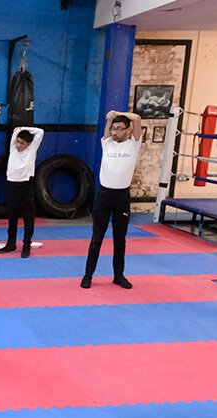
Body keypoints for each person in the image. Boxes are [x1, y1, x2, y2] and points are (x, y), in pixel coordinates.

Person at [82, 110, 143, 290]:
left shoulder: (133, 145)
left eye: (119, 129)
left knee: (120, 239)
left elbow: (137, 118)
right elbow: (109, 127)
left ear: (128, 130)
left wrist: (118, 113)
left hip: (121, 197)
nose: (115, 132)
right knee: (97, 238)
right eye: (113, 129)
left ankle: (118, 276)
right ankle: (88, 275)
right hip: (104, 196)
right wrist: (110, 119)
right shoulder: (107, 143)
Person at [0, 126, 45, 258]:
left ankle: (26, 245)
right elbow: (15, 132)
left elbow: (40, 132)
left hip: (26, 186)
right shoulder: (13, 148)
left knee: (28, 217)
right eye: (17, 142)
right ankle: (11, 243)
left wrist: (23, 128)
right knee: (12, 216)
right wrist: (18, 130)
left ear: (28, 144)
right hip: (12, 185)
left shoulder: (32, 149)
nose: (18, 145)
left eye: (22, 143)